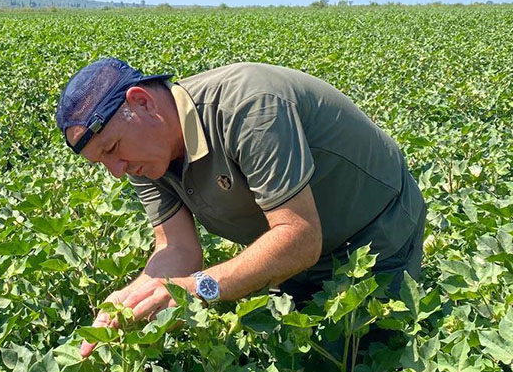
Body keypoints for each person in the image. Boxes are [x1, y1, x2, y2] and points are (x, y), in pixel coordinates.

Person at [55, 58, 426, 359]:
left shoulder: (248, 105)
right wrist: (132, 297)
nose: (116, 171)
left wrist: (198, 288)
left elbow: (300, 237)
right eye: (101, 162)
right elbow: (177, 249)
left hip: (377, 235)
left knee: (353, 357)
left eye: (112, 149)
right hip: (291, 252)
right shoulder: (142, 156)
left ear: (142, 102)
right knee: (295, 355)